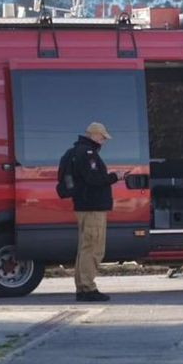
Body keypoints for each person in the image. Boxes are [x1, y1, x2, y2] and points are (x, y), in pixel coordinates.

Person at [68, 122, 120, 302]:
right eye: (103, 137)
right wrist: (115, 177)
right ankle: (88, 288)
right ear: (95, 135)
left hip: (83, 206)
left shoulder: (76, 151)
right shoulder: (88, 154)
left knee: (84, 248)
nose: (104, 141)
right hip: (92, 207)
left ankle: (82, 288)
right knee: (94, 248)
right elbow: (94, 179)